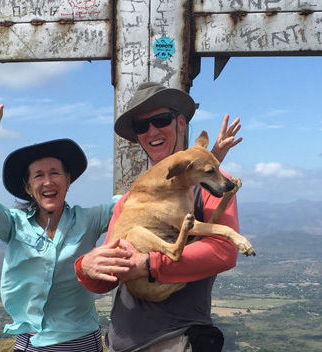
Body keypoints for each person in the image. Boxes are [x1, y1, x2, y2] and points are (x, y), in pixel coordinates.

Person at [75, 82, 243, 352]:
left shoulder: (209, 185)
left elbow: (224, 251)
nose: (151, 131)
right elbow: (106, 277)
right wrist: (86, 267)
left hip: (175, 340)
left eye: (160, 120)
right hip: (120, 343)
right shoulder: (131, 200)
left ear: (180, 123)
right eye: (142, 126)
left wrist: (149, 264)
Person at [0, 86, 117, 351]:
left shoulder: (89, 219)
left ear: (68, 180)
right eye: (38, 175)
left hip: (81, 342)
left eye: (55, 173)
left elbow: (130, 203)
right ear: (27, 187)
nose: (48, 182)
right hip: (31, 342)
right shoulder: (13, 224)